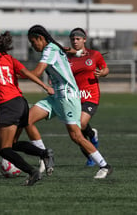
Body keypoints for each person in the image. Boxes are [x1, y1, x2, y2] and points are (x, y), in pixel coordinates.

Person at [25, 24, 113, 179]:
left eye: (33, 42)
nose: (33, 46)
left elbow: (37, 72)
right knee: (27, 119)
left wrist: (16, 72)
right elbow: (69, 51)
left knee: (76, 136)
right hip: (56, 97)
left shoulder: (49, 50)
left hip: (67, 96)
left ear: (40, 38)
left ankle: (104, 165)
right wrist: (77, 52)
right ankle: (45, 157)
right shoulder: (54, 47)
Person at [0, 31, 55, 185]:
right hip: (21, 103)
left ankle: (32, 172)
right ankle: (44, 153)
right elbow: (26, 74)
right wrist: (44, 86)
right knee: (13, 145)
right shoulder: (9, 59)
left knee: (4, 150)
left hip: (8, 105)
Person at [67, 27, 109, 167]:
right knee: (76, 131)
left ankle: (91, 139)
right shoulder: (68, 57)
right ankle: (90, 151)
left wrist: (102, 73)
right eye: (73, 39)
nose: (75, 41)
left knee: (80, 124)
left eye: (78, 39)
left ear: (84, 40)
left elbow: (105, 69)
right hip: (74, 97)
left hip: (91, 95)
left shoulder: (94, 55)